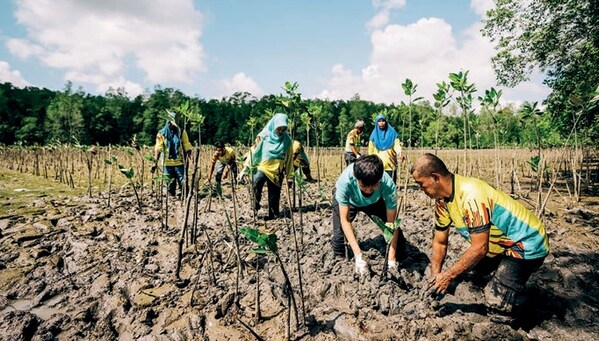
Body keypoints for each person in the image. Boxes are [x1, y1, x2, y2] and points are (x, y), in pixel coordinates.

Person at [411, 153, 549, 320]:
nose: (421, 190)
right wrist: (435, 276)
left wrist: (448, 275)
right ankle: (506, 283)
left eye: (421, 185)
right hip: (496, 246)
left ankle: (518, 305)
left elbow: (479, 248)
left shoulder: (471, 195)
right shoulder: (442, 201)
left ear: (435, 178)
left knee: (496, 303)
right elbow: (440, 242)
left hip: (526, 243)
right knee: (467, 277)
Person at [331, 154, 407, 275]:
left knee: (401, 245)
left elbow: (391, 224)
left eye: (374, 186)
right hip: (350, 201)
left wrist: (392, 260)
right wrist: (358, 255)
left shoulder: (388, 185)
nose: (368, 190)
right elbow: (345, 220)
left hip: (374, 202)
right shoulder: (345, 182)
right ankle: (341, 267)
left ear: (380, 180)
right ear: (357, 179)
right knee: (338, 240)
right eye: (364, 186)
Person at [238, 113, 293, 220]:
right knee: (256, 181)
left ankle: (273, 215)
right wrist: (245, 169)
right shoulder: (263, 137)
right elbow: (253, 152)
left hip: (277, 171)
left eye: (283, 129)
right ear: (273, 125)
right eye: (279, 128)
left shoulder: (287, 141)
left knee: (274, 195)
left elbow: (289, 159)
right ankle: (255, 205)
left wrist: (290, 176)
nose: (281, 131)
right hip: (262, 167)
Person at [151, 111, 192, 197]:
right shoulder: (161, 133)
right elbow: (158, 148)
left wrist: (189, 158)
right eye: (172, 124)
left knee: (183, 181)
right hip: (166, 163)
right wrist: (155, 163)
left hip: (180, 162)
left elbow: (186, 145)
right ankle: (171, 198)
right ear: (168, 122)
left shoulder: (181, 132)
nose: (173, 126)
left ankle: (185, 197)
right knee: (169, 183)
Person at [368, 114, 402, 183]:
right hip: (377, 165)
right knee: (378, 185)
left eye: (383, 121)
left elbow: (397, 145)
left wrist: (399, 152)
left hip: (390, 164)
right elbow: (370, 150)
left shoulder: (392, 133)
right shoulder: (374, 135)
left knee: (391, 184)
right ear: (377, 123)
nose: (381, 123)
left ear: (386, 122)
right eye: (379, 121)